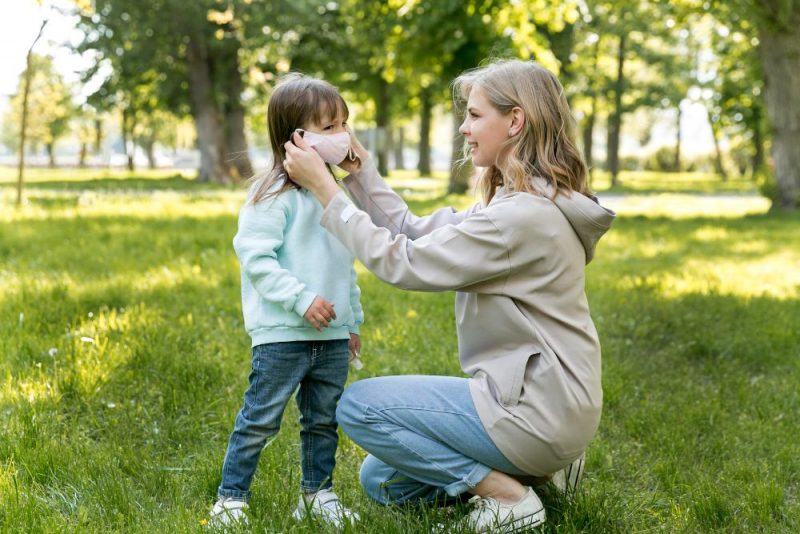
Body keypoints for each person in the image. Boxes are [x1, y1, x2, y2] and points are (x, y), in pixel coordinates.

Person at [282, 59, 616, 532]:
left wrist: (325, 191)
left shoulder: (516, 219)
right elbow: (414, 232)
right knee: (383, 481)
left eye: (476, 115)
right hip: (553, 408)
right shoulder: (522, 204)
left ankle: (510, 499)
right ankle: (542, 471)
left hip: (534, 410)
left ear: (515, 121)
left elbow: (404, 262)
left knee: (359, 407)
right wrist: (357, 175)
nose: (464, 128)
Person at [209, 73, 364, 529]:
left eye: (344, 125)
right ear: (298, 138)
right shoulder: (272, 197)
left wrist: (351, 321)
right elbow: (255, 260)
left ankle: (318, 494)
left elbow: (345, 264)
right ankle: (231, 498)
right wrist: (300, 299)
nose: (344, 136)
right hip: (283, 334)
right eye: (331, 127)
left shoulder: (336, 197)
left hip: (331, 335)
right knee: (260, 419)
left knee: (323, 421)